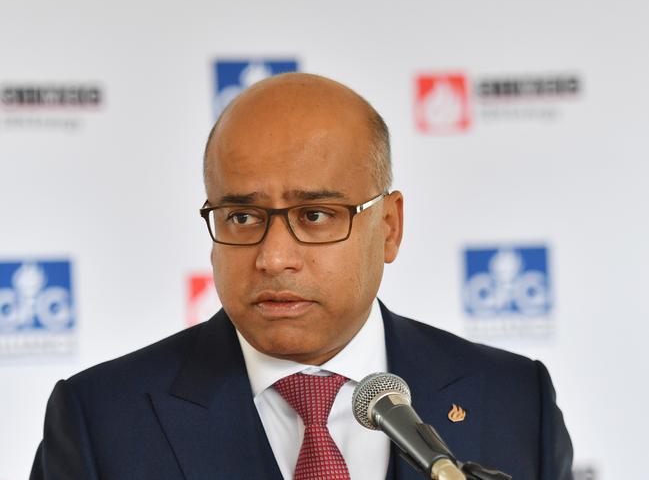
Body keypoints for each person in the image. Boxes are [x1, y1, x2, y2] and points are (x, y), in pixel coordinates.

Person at [30, 73, 573, 480]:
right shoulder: (101, 419)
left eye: (315, 216)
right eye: (242, 217)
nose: (274, 258)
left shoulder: (514, 401)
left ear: (388, 227)